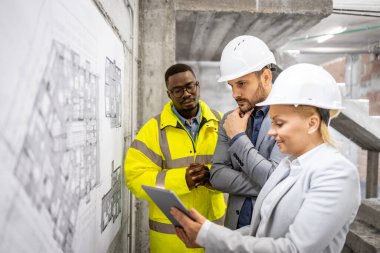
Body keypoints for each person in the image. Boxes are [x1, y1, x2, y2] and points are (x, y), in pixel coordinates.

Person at [171, 63, 361, 253]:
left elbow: (294, 249)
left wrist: (210, 236)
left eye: (279, 123)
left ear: (312, 123)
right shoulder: (289, 165)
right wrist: (209, 236)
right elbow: (259, 232)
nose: (271, 131)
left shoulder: (337, 173)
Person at [124, 63, 226, 253]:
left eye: (189, 86)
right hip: (171, 243)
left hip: (212, 235)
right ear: (169, 94)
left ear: (197, 86)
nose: (186, 94)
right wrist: (181, 180)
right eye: (177, 90)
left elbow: (236, 168)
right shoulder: (152, 130)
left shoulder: (222, 123)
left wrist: (211, 175)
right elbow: (134, 178)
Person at [210, 35, 284, 229]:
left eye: (241, 84)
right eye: (231, 86)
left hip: (270, 235)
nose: (235, 94)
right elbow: (217, 175)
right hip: (234, 233)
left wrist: (238, 138)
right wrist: (268, 185)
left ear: (266, 77)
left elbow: (274, 177)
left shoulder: (289, 118)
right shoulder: (229, 119)